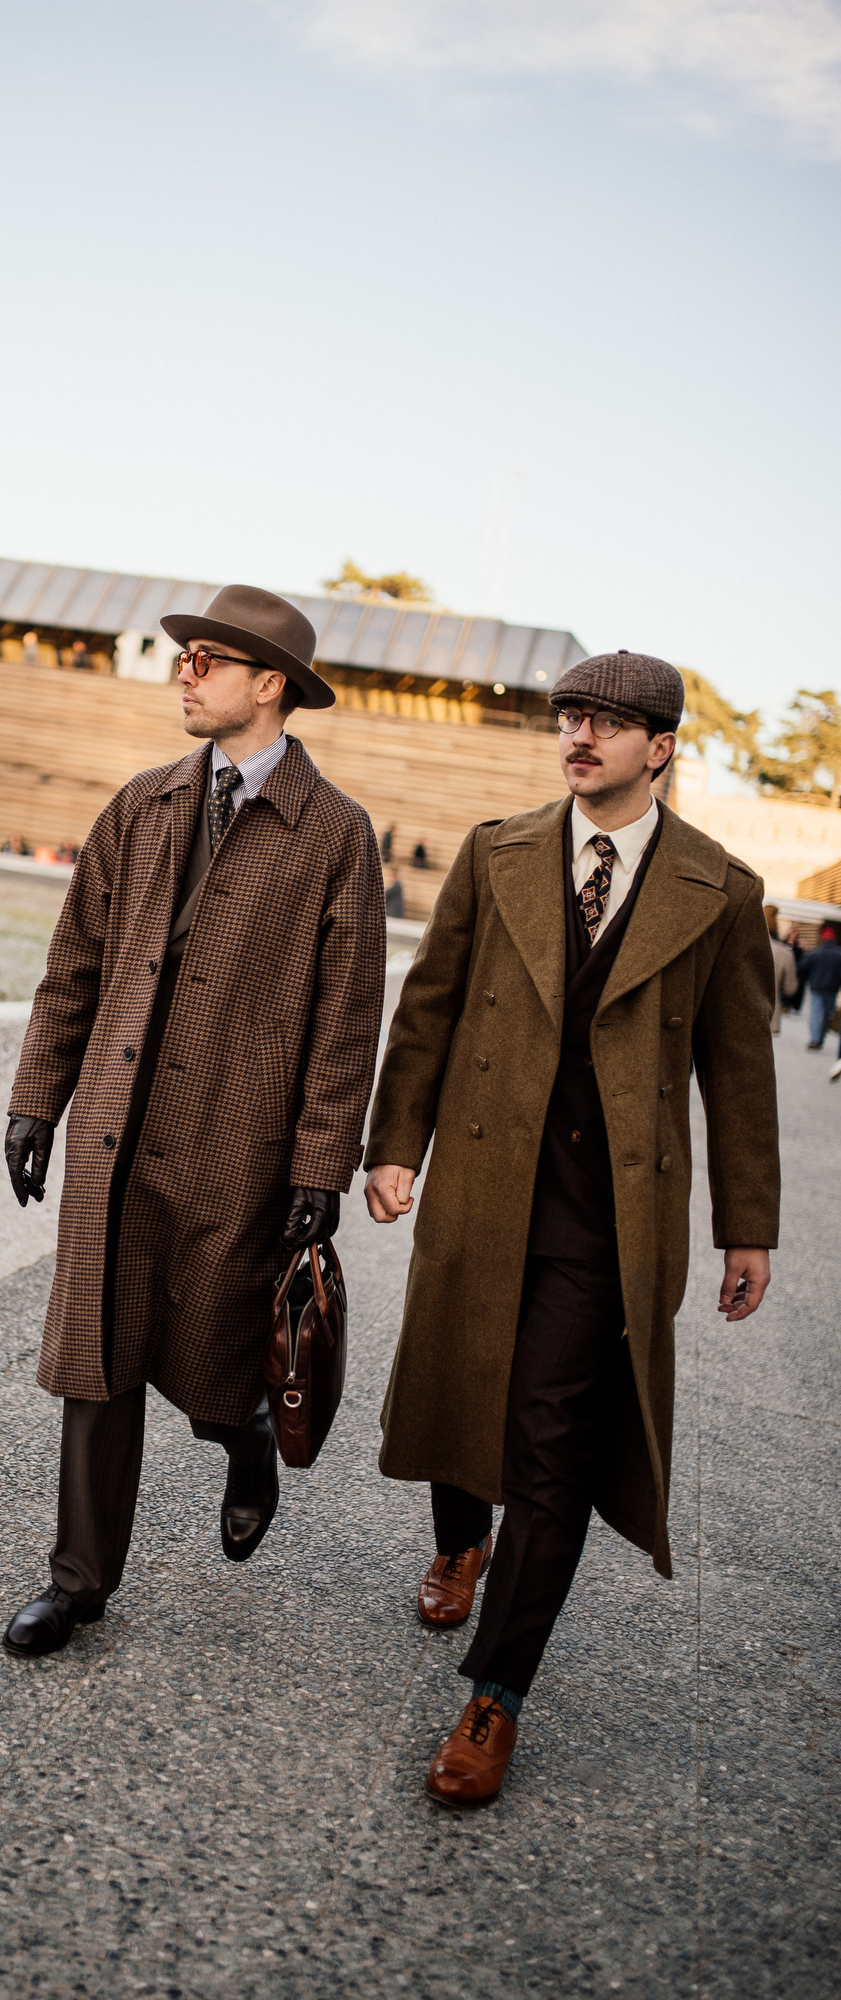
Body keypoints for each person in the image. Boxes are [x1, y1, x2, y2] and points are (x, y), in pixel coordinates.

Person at [365, 649, 779, 1806]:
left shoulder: (720, 887)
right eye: (568, 715)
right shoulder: (495, 847)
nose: (578, 734)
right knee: (458, 1381)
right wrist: (394, 1143)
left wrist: (748, 1224)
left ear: (661, 747)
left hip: (608, 1216)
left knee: (550, 1443)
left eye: (607, 720)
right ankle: (459, 1536)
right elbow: (430, 1006)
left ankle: (494, 1691)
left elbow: (737, 1070)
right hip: (487, 1177)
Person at [0, 584, 386, 1657]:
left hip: (239, 1142)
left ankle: (246, 1434)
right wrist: (39, 1098)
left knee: (214, 1353)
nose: (185, 670)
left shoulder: (338, 836)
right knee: (99, 1355)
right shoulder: (142, 802)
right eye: (185, 655)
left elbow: (347, 1019)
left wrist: (321, 1160)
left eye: (209, 658)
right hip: (116, 1133)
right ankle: (77, 1582)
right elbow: (72, 965)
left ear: (269, 685)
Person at [795, 924, 841, 1049]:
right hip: (832, 988)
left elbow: (802, 966)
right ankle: (821, 1036)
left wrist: (803, 977)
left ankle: (815, 1039)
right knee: (827, 1014)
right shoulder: (838, 954)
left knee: (815, 1013)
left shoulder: (816, 952)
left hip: (816, 987)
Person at [762, 905, 798, 1033]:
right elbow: (790, 988)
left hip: (732, 1014)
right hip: (768, 1015)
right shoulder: (784, 953)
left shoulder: (736, 946)